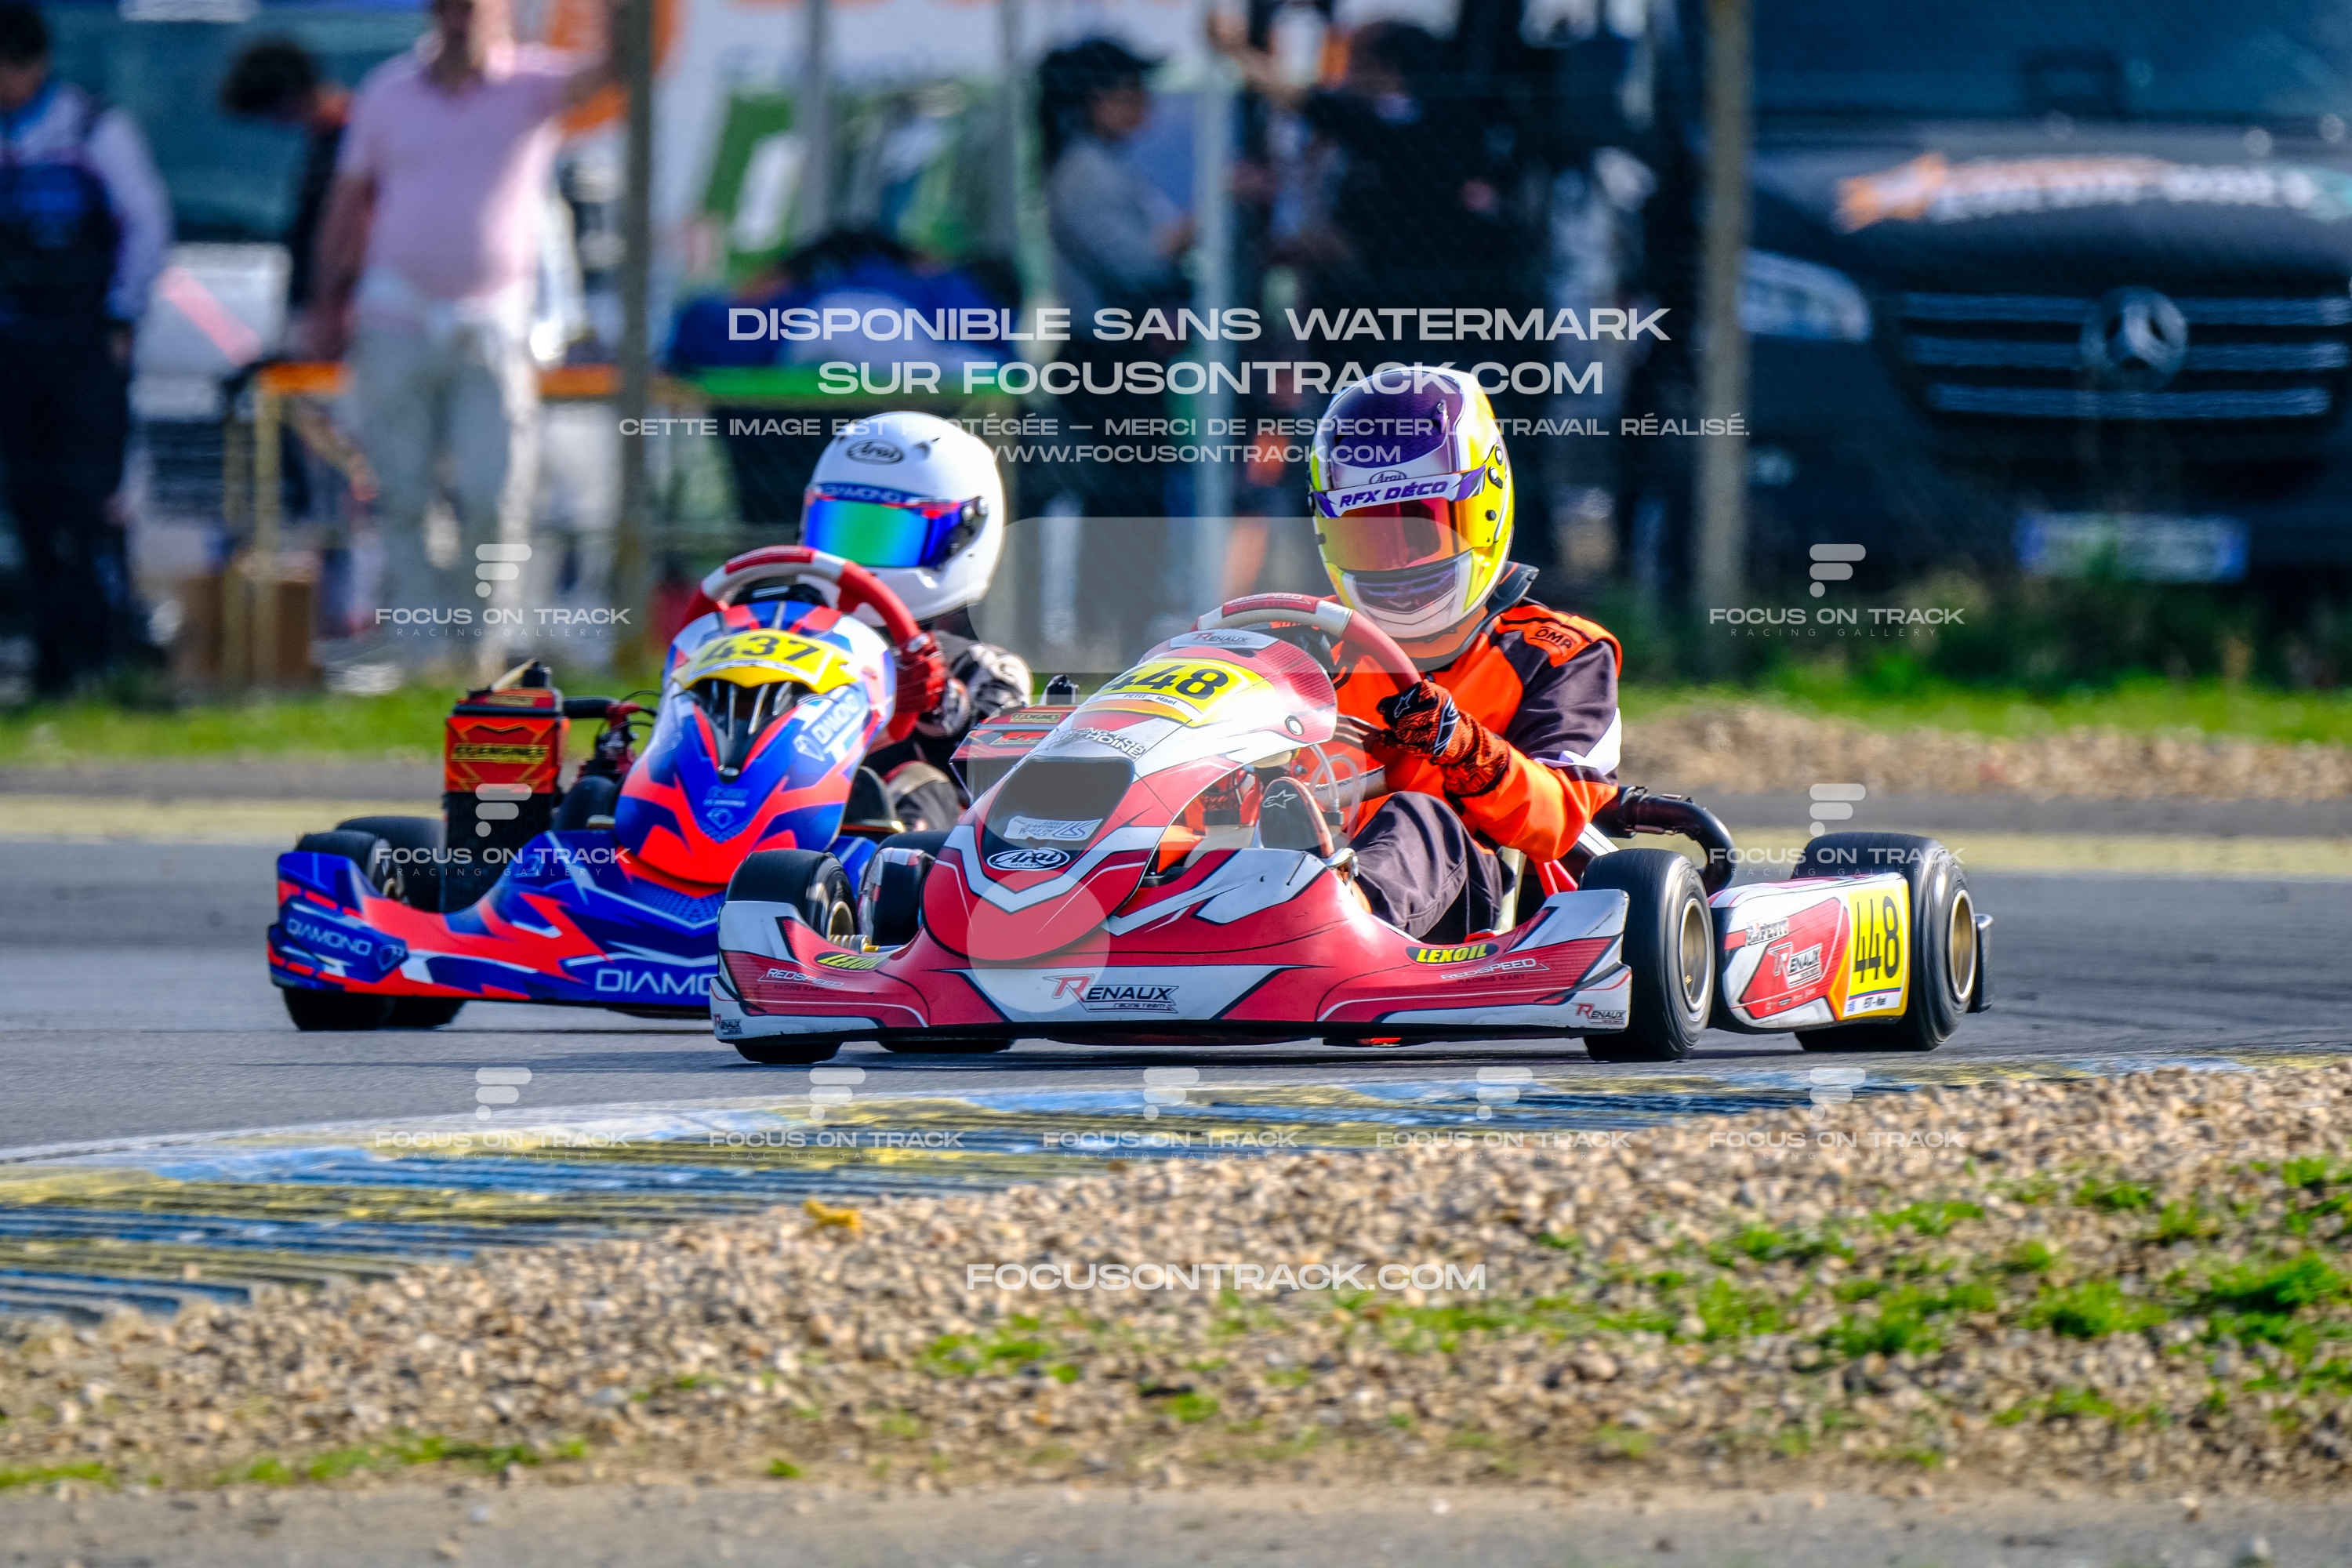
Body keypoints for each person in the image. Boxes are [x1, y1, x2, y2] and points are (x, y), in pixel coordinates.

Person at [308, 0, 612, 677]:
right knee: (404, 495)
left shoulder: (532, 85)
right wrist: (326, 301)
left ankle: (479, 656)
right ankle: (422, 656)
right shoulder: (389, 91)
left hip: (492, 323)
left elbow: (614, 72)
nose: (461, 17)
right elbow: (349, 200)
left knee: (492, 496)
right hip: (395, 316)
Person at [1311, 366, 1621, 941]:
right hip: (1288, 868)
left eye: (1420, 534)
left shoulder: (1557, 654)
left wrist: (1463, 748)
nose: (1398, 564)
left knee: (1419, 814)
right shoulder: (1299, 637)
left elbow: (1556, 820)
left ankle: (1334, 918)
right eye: (1368, 537)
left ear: (1484, 509)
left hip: (1457, 907)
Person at [0, 0, 169, 699]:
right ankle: (52, 660)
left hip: (82, 349)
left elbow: (146, 223)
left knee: (90, 503)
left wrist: (122, 314)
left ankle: (104, 649)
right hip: (13, 351)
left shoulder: (92, 129)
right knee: (30, 505)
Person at [797, 411, 1031, 833]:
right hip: (773, 807)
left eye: (886, 536)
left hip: (883, 847)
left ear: (960, 537)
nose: (854, 558)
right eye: (839, 529)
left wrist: (939, 701)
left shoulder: (980, 669)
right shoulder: (781, 638)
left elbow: (1002, 785)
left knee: (919, 782)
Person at [1038, 37, 1189, 521]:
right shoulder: (1084, 172)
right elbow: (1136, 263)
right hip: (1104, 361)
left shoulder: (1108, 164)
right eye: (1131, 90)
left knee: (1136, 497)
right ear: (1096, 99)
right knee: (1122, 500)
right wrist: (1209, 216)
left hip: (1123, 359)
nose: (1145, 102)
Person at [219, 38, 350, 345]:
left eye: (272, 112)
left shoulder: (353, 141)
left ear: (289, 98)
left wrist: (327, 306)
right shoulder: (324, 141)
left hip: (335, 309)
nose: (275, 124)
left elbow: (344, 234)